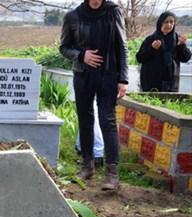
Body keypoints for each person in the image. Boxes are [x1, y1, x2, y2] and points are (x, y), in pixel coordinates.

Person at [60, 0, 129, 190]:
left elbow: (122, 47)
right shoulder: (72, 16)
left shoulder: (113, 12)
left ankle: (112, 174)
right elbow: (64, 47)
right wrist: (82, 55)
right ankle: (87, 166)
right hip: (83, 76)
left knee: (107, 121)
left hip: (108, 75)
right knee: (85, 119)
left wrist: (123, 79)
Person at [136, 12, 191, 92]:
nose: (169, 25)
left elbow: (186, 58)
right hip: (152, 82)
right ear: (160, 23)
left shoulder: (178, 40)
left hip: (171, 84)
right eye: (166, 22)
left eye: (171, 22)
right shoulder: (151, 39)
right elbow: (139, 58)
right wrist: (152, 48)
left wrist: (182, 46)